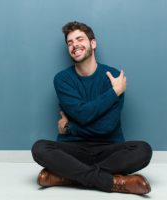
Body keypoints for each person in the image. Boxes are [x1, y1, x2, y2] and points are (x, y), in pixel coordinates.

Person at [31, 21, 152, 195]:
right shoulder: (62, 79)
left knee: (143, 150)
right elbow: (82, 114)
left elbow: (107, 126)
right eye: (70, 43)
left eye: (79, 39)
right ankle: (113, 182)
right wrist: (114, 93)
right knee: (39, 148)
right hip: (73, 148)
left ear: (92, 43)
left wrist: (70, 126)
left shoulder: (114, 77)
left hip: (109, 148)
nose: (75, 45)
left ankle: (67, 176)